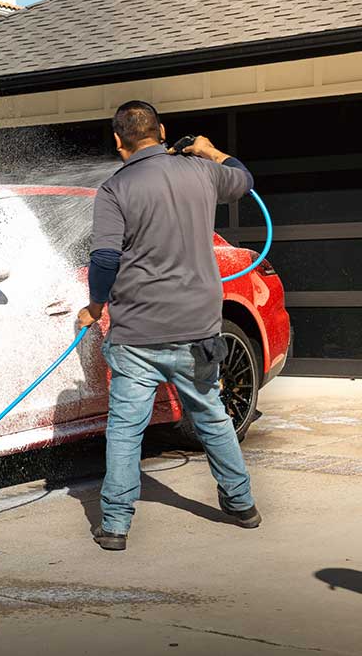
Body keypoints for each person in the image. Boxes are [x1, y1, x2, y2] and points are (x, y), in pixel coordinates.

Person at [78, 100, 260, 551]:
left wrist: (96, 305)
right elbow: (244, 179)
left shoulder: (115, 189)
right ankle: (242, 505)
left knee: (126, 429)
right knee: (212, 416)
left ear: (117, 140)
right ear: (163, 130)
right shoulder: (202, 171)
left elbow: (103, 258)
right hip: (199, 328)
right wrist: (211, 151)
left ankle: (116, 525)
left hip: (138, 334)